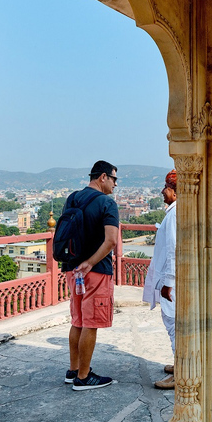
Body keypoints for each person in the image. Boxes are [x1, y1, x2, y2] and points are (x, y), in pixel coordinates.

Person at [62, 160, 120, 390]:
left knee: (77, 320)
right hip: (94, 271)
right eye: (115, 179)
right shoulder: (107, 203)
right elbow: (111, 241)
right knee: (91, 323)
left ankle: (73, 369)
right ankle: (84, 377)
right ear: (103, 177)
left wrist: (80, 263)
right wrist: (90, 263)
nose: (116, 184)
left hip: (72, 269)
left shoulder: (73, 198)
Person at [142, 170, 178, 389]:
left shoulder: (174, 214)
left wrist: (169, 282)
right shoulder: (174, 211)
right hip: (171, 276)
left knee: (174, 323)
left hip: (172, 279)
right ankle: (180, 362)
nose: (162, 191)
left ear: (174, 190)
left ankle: (182, 373)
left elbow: (173, 249)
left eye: (165, 187)